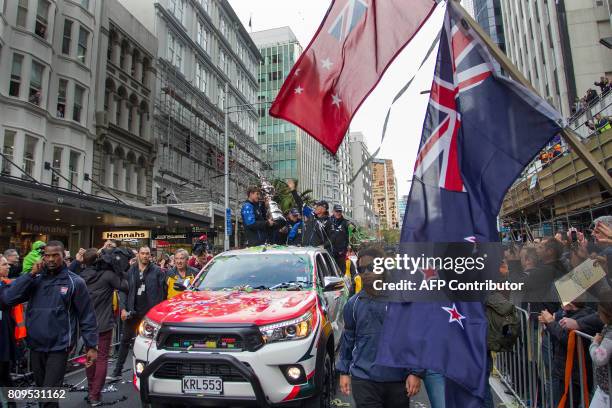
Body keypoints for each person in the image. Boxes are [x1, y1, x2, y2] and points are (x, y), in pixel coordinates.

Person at [0, 241, 98, 408]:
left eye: (55, 255)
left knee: (48, 397)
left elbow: (87, 315)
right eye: (47, 255)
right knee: (43, 395)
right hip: (36, 346)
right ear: (43, 257)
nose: (51, 259)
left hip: (59, 347)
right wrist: (30, 274)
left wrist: (91, 345)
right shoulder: (35, 279)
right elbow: (8, 298)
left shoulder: (75, 282)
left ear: (63, 256)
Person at [337, 247, 422, 407]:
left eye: (371, 267)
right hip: (364, 380)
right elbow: (348, 340)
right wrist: (344, 372)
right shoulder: (353, 305)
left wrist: (415, 372)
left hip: (398, 379)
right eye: (362, 269)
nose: (367, 272)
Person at [109, 246, 166, 381]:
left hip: (150, 313)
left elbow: (162, 293)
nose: (145, 256)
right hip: (132, 311)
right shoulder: (130, 271)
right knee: (125, 340)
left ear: (150, 256)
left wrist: (160, 312)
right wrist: (123, 308)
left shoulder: (157, 271)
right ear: (138, 255)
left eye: (147, 254)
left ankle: (153, 371)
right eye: (143, 253)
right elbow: (123, 290)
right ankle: (117, 371)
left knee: (152, 343)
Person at [80, 248, 128, 406]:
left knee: (89, 358)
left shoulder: (81, 277)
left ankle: (90, 390)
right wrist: (118, 269)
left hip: (87, 325)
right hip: (103, 323)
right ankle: (95, 395)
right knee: (101, 359)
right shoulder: (107, 276)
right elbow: (125, 285)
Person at [539, 301, 595, 407]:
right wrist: (550, 322)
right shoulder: (568, 313)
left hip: (571, 375)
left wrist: (550, 321)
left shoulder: (584, 317)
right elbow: (558, 329)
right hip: (562, 371)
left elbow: (565, 338)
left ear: (570, 304)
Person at [0, 255, 26, 391]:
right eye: (4, 264)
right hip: (4, 336)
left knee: (4, 373)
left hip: (6, 335)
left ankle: (11, 402)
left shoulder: (7, 284)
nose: (8, 266)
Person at [589, 296, 612, 408]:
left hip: (607, 391)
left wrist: (594, 343)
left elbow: (599, 358)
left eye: (600, 312)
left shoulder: (610, 336)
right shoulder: (608, 328)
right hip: (605, 389)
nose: (598, 315)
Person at [330, 204, 350, 270]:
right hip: (330, 253)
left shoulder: (345, 222)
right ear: (333, 211)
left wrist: (352, 226)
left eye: (340, 211)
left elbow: (353, 231)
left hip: (341, 253)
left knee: (342, 271)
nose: (338, 213)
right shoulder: (329, 221)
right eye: (337, 211)